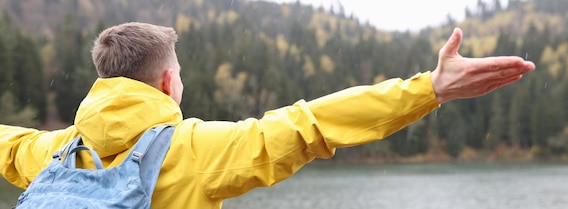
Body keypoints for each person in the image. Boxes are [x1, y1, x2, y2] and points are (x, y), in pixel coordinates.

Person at [0, 22, 535, 208]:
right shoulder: (193, 151)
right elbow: (310, 124)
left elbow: (7, 144)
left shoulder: (50, 154)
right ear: (168, 82)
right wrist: (431, 89)